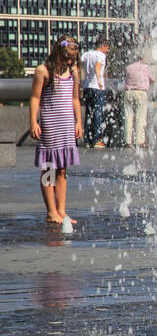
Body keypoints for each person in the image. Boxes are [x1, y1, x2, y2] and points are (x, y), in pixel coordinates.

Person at [30, 35, 83, 226]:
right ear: (57, 53)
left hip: (67, 125)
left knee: (62, 170)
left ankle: (61, 210)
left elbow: (75, 99)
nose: (69, 62)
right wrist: (33, 122)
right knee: (49, 169)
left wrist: (79, 122)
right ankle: (51, 211)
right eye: (67, 58)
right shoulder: (43, 71)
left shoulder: (74, 71)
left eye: (72, 59)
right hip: (50, 126)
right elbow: (35, 98)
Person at [81, 38, 109, 148]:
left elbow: (78, 63)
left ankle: (87, 140)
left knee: (89, 113)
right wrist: (99, 80)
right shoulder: (101, 55)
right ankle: (97, 140)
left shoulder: (87, 54)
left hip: (87, 87)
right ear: (102, 46)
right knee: (98, 113)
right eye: (107, 48)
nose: (107, 51)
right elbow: (98, 66)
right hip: (97, 88)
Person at [122, 54, 153, 148]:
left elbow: (125, 78)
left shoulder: (128, 67)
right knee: (140, 117)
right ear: (141, 59)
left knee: (128, 117)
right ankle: (139, 141)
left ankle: (127, 141)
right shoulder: (145, 67)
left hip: (128, 92)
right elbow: (152, 79)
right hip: (141, 92)